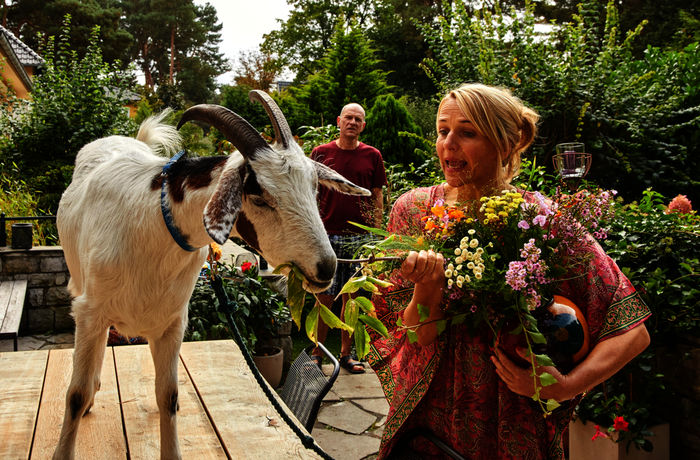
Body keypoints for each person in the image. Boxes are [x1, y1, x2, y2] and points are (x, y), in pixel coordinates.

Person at [366, 83, 651, 458]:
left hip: (513, 423)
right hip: (429, 420)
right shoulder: (414, 210)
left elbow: (633, 332)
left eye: (467, 132)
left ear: (504, 144)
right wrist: (428, 288)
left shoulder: (538, 220)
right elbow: (416, 337)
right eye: (442, 130)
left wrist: (564, 386)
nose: (448, 143)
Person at [311, 102, 388, 374]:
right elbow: (311, 193)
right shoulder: (321, 153)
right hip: (326, 236)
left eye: (358, 119)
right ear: (339, 121)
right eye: (348, 118)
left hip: (359, 239)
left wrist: (376, 235)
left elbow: (377, 197)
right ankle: (316, 353)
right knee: (325, 297)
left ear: (363, 125)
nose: (353, 122)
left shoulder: (372, 156)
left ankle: (346, 355)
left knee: (351, 299)